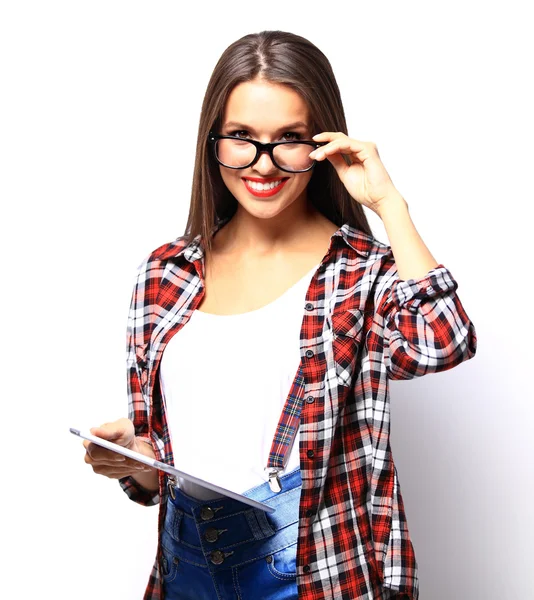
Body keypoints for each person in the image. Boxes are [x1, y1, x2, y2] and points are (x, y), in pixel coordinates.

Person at [82, 30, 477, 600]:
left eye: (288, 139)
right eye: (242, 137)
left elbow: (444, 343)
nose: (262, 164)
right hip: (184, 571)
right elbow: (154, 477)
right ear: (212, 141)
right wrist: (134, 460)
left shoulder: (359, 273)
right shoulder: (166, 274)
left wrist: (390, 205)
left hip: (318, 575)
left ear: (322, 145)